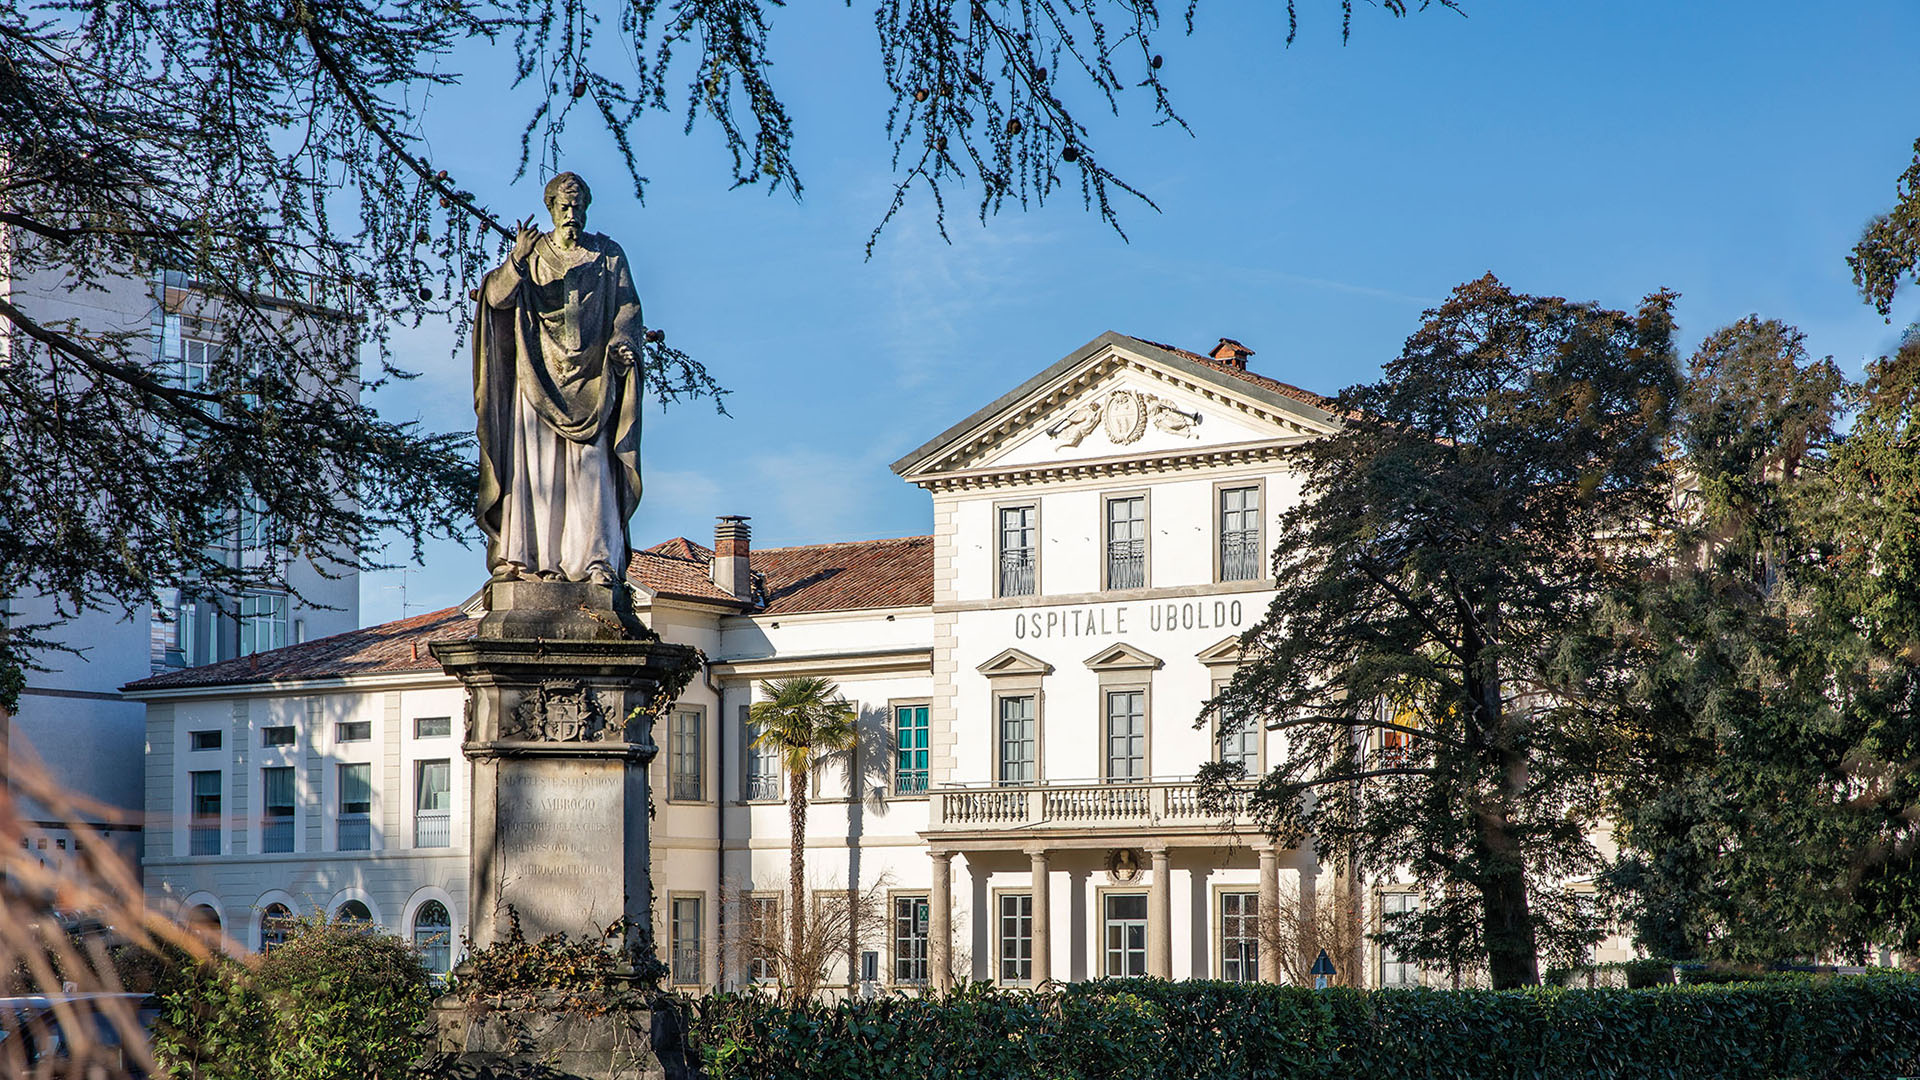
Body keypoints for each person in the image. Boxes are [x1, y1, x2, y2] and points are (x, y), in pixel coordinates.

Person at [473, 172, 644, 585]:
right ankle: (534, 561)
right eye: (564, 207)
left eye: (578, 206)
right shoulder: (531, 255)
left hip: (593, 382)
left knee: (592, 474)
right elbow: (496, 298)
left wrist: (621, 343)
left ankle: (595, 562)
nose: (572, 214)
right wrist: (515, 260)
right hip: (535, 376)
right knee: (537, 474)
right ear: (551, 208)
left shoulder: (608, 256)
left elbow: (627, 309)